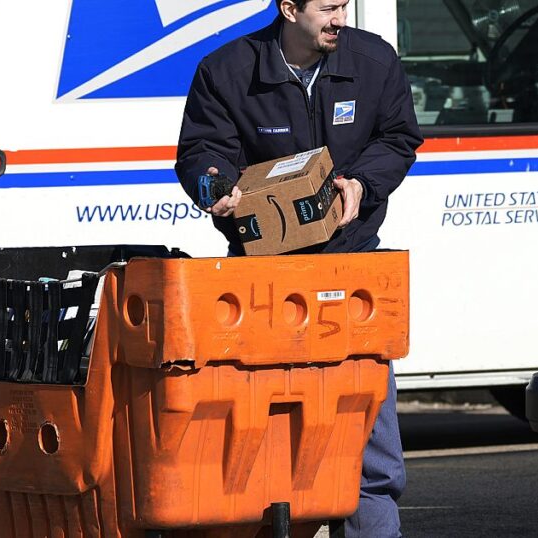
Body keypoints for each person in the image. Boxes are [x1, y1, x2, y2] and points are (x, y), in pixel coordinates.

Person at [174, 1, 423, 536]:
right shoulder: (227, 71)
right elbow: (201, 152)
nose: (340, 18)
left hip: (351, 277)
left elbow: (400, 138)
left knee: (369, 449)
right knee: (263, 451)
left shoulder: (374, 61)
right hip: (265, 286)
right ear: (289, 9)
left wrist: (363, 183)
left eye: (345, 5)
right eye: (327, 7)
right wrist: (215, 188)